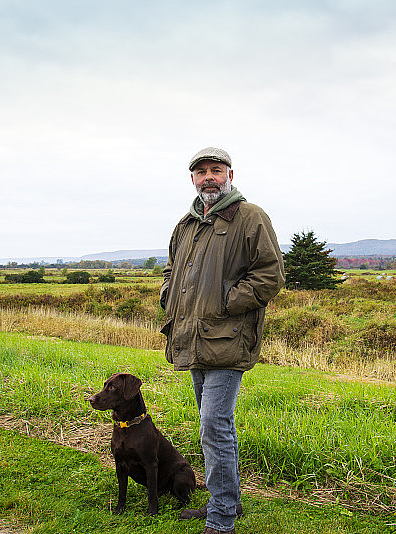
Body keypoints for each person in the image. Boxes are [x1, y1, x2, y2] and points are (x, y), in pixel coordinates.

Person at [160, 147, 285, 534]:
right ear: (193, 179)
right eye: (202, 172)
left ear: (231, 174)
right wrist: (168, 294)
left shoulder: (250, 217)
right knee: (214, 425)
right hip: (193, 338)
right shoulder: (186, 224)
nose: (209, 177)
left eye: (216, 170)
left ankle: (222, 519)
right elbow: (171, 269)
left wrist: (227, 302)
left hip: (228, 339)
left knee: (214, 425)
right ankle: (227, 499)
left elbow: (271, 274)